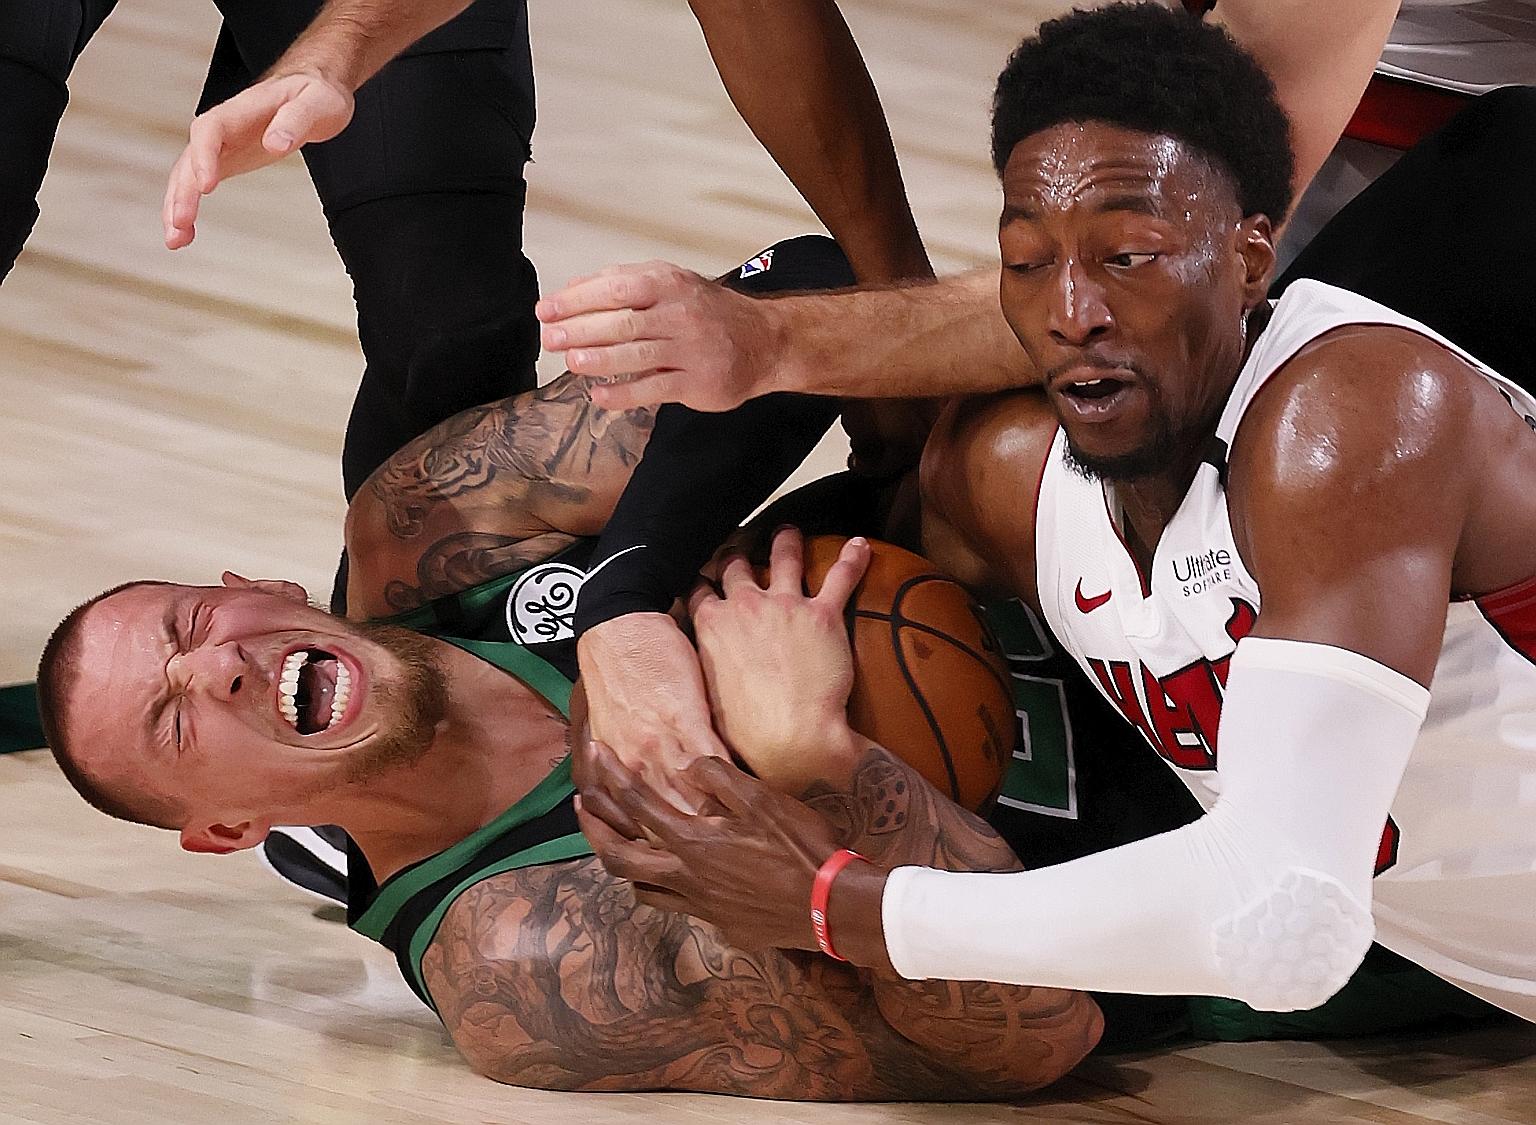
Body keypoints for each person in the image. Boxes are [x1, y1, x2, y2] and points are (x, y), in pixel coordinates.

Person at [571, 5, 1536, 1023]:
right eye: (1029, 265)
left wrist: (840, 908)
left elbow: (1286, 918)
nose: (1074, 311)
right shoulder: (1012, 481)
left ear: (1257, 259)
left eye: (1129, 258)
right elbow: (826, 329)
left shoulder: (1352, 421)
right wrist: (636, 615)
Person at [31, 236, 1103, 1098]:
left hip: (1122, 604)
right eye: (177, 724)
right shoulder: (531, 957)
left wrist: (622, 604)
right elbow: (1029, 1039)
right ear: (227, 829)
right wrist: (816, 758)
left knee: (997, 446)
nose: (213, 672)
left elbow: (799, 299)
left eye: (192, 626)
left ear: (260, 588)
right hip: (1145, 847)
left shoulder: (432, 526)